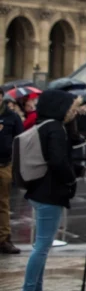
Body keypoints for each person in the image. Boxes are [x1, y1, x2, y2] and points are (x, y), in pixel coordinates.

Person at [16, 90, 86, 291]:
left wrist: (79, 169)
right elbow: (58, 161)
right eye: (70, 107)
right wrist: (70, 178)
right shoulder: (56, 128)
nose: (72, 111)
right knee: (42, 246)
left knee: (42, 245)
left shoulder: (45, 125)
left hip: (40, 190)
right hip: (50, 192)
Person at [0, 97, 23, 254]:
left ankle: (4, 239)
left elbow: (20, 139)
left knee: (3, 203)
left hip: (4, 164)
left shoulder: (11, 116)